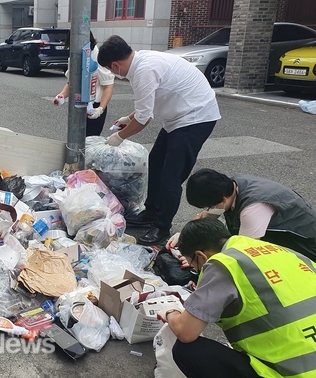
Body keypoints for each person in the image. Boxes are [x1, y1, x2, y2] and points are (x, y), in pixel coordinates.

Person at [97, 35, 220, 246]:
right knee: (156, 163)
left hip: (196, 118)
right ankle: (151, 213)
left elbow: (145, 119)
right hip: (178, 118)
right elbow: (148, 101)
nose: (112, 73)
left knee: (171, 175)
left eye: (110, 69)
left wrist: (119, 137)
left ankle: (162, 227)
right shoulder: (141, 62)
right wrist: (129, 117)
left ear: (115, 64)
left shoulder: (145, 69)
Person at [160, 218, 316, 378]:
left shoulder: (224, 264)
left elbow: (185, 331)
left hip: (292, 374)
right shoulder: (280, 251)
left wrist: (170, 311)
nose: (196, 270)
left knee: (188, 351)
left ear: (201, 255)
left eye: (194, 265)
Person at [169, 168, 316, 262]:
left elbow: (242, 254)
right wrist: (184, 236)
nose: (207, 210)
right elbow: (207, 216)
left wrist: (199, 260)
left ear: (223, 199)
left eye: (209, 206)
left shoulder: (252, 210)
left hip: (306, 243)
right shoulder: (230, 185)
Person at [53, 31, 115, 137]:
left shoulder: (97, 57)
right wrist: (62, 95)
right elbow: (71, 82)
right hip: (77, 105)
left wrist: (100, 109)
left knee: (89, 141)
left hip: (94, 107)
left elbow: (108, 85)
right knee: (74, 138)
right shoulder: (74, 57)